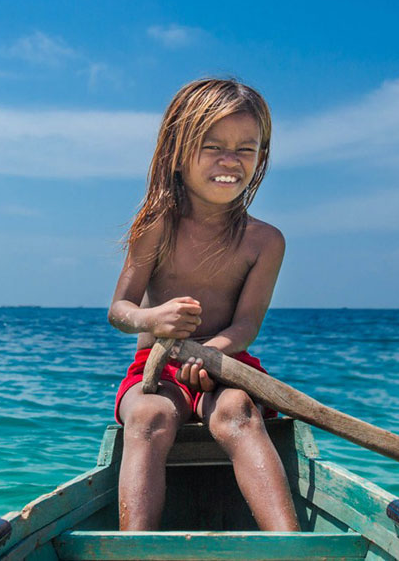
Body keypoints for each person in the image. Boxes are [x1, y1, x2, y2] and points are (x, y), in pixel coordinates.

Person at [108, 78, 299, 532]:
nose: (230, 161)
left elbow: (247, 323)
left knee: (238, 411)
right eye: (213, 146)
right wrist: (153, 318)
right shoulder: (155, 227)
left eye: (245, 150)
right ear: (178, 152)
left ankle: (290, 546)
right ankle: (134, 549)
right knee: (148, 415)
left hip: (228, 363)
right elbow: (120, 309)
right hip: (157, 368)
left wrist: (212, 355)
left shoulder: (265, 241)